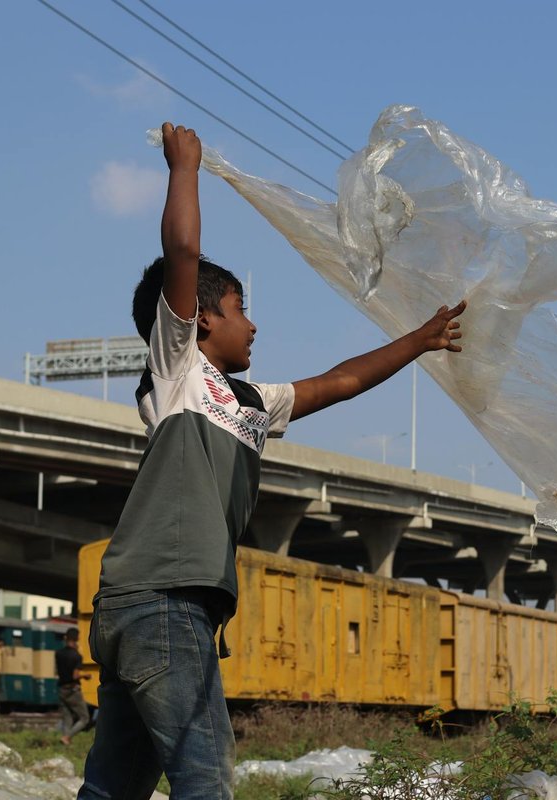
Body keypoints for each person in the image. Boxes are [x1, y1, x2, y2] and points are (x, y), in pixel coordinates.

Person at [77, 122, 466, 800]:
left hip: (145, 606)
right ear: (200, 319)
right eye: (241, 309)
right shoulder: (177, 372)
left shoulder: (252, 402)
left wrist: (418, 341)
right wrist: (184, 168)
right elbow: (183, 253)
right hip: (164, 599)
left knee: (115, 787)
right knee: (204, 776)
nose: (253, 324)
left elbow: (338, 382)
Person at [56, 628, 89, 746]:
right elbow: (75, 676)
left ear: (66, 638)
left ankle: (65, 744)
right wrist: (85, 675)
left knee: (67, 717)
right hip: (72, 690)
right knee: (84, 718)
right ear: (77, 638)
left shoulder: (58, 653)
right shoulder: (76, 656)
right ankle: (67, 737)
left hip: (61, 688)